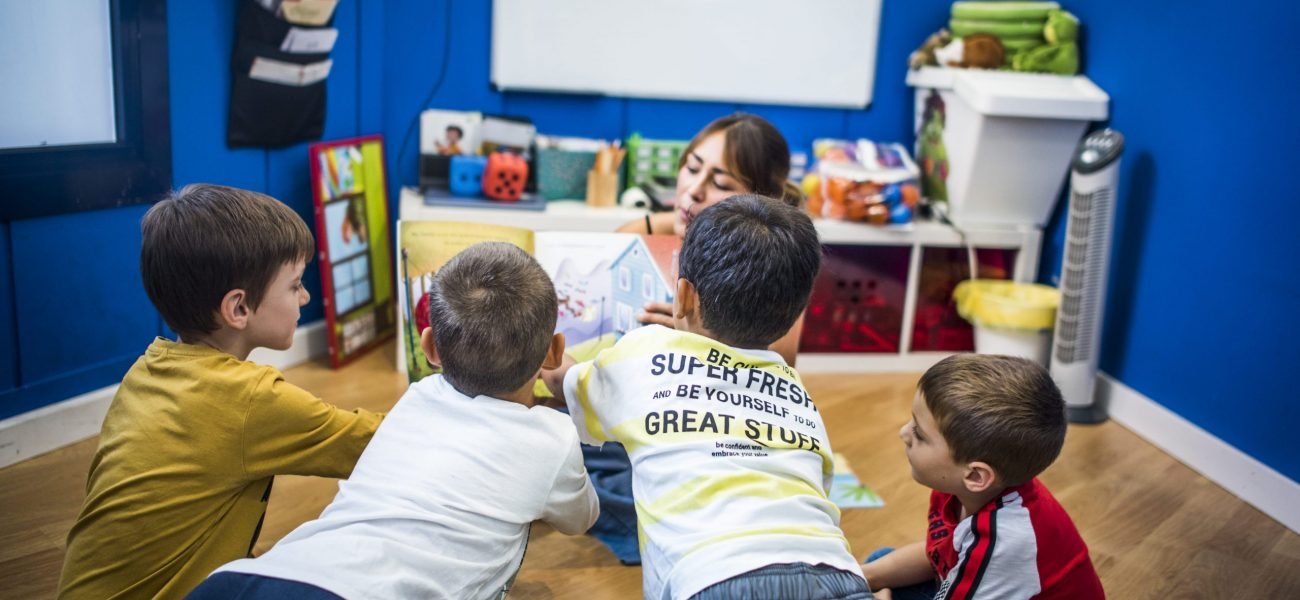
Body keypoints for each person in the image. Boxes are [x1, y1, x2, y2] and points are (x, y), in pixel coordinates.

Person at [190, 242, 598, 599]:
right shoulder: (554, 438)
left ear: (430, 348)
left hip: (247, 579)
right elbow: (581, 518)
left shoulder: (415, 400)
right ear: (554, 351)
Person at [57, 184, 385, 599]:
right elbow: (377, 444)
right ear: (239, 309)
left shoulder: (147, 370)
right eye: (295, 284)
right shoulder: (251, 400)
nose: (304, 295)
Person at [544, 196, 871, 600]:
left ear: (682, 295)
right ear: (796, 311)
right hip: (838, 572)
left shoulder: (644, 351)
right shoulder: (796, 390)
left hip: (713, 577)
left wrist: (551, 353)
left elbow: (565, 384)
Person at [581, 113, 810, 566]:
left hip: (712, 427)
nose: (693, 191)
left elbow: (784, 356)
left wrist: (700, 334)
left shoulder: (771, 256)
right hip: (631, 416)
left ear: (763, 198)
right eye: (692, 167)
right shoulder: (643, 232)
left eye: (720, 182)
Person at [861, 354, 1104, 600]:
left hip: (992, 575)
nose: (904, 433)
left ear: (976, 475)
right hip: (975, 580)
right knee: (876, 564)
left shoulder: (1002, 542)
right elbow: (939, 554)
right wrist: (866, 575)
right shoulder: (963, 484)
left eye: (920, 434)